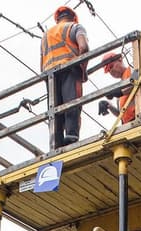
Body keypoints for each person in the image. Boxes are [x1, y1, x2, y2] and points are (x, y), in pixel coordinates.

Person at [40, 6, 89, 148]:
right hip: (70, 69)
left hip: (50, 76)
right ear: (73, 17)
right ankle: (72, 136)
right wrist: (83, 69)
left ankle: (56, 143)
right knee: (71, 103)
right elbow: (84, 48)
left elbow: (41, 64)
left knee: (54, 111)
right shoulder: (75, 27)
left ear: (57, 19)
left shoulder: (45, 36)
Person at [98, 52, 141, 124]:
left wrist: (119, 92)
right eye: (108, 70)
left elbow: (137, 81)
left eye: (111, 66)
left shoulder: (134, 67)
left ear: (119, 59)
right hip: (131, 122)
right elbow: (120, 114)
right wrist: (109, 105)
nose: (111, 71)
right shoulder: (120, 87)